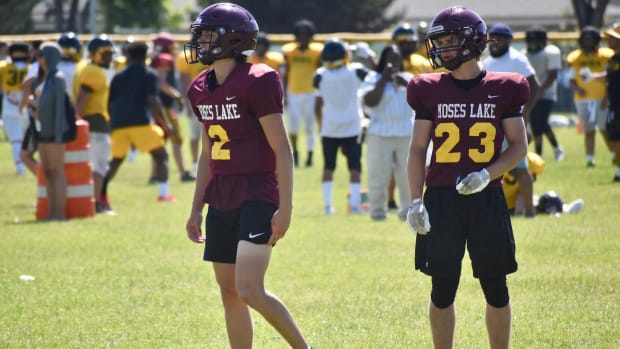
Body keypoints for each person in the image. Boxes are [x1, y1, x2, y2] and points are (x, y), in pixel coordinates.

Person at [183, 3, 310, 349]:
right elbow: (209, 152)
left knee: (249, 288)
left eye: (208, 34)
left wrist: (286, 207)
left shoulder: (260, 79)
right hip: (222, 193)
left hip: (257, 190)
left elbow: (282, 148)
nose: (200, 42)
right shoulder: (199, 87)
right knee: (229, 293)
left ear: (232, 39)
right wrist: (196, 206)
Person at [406, 6, 529, 349]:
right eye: (439, 41)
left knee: (496, 286)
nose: (442, 48)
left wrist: (487, 174)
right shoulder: (427, 88)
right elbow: (417, 149)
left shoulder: (505, 87)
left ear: (472, 42)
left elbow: (519, 146)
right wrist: (416, 200)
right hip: (441, 199)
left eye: (449, 40)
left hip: (486, 198)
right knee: (442, 289)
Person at [103, 41, 176, 203]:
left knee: (115, 161)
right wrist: (165, 125)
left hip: (118, 125)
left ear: (128, 56)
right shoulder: (149, 74)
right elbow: (152, 101)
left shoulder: (118, 76)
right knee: (161, 156)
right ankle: (163, 195)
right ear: (146, 56)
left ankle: (100, 195)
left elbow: (109, 103)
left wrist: (112, 125)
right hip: (140, 124)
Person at [483, 22, 539, 218]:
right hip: (491, 124)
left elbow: (535, 85)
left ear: (509, 41)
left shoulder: (517, 59)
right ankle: (493, 211)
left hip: (511, 123)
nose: (495, 42)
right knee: (491, 168)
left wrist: (525, 116)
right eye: (493, 38)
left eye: (500, 38)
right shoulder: (487, 62)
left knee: (519, 168)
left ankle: (530, 211)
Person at [313, 39, 368, 215]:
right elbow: (373, 79)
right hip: (352, 127)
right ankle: (354, 206)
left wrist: (321, 126)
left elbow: (317, 105)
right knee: (355, 167)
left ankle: (328, 207)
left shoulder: (320, 75)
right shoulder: (356, 71)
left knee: (328, 167)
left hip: (330, 128)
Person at [360, 45, 413, 220]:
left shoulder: (408, 78)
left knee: (407, 175)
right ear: (383, 60)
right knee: (378, 174)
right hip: (379, 133)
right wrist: (383, 80)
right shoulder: (373, 78)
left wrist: (405, 84)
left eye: (397, 59)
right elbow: (369, 101)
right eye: (390, 59)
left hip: (406, 132)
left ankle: (408, 211)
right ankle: (377, 211)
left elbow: (422, 100)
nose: (394, 62)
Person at [74, 35, 114, 214]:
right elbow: (82, 99)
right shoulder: (94, 72)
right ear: (94, 54)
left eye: (110, 53)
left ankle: (91, 201)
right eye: (105, 53)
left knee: (95, 165)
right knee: (99, 165)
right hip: (95, 122)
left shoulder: (88, 68)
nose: (109, 57)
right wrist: (77, 121)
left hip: (92, 121)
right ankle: (96, 203)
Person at [31, 42, 71, 220]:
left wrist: (57, 134)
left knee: (57, 172)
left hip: (55, 133)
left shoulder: (58, 78)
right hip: (43, 131)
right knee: (47, 172)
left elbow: (59, 110)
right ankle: (51, 212)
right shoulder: (45, 79)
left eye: (42, 55)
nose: (39, 59)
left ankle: (59, 213)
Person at [566, 26, 614, 167]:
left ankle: (613, 154)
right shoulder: (576, 58)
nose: (588, 42)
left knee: (605, 129)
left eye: (590, 39)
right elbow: (571, 80)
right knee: (588, 130)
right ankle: (589, 158)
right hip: (583, 99)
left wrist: (607, 97)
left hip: (602, 98)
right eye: (585, 39)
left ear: (596, 40)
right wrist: (578, 89)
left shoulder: (606, 55)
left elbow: (611, 78)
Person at [151, 32, 196, 182]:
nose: (174, 47)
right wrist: (178, 96)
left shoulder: (154, 59)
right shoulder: (165, 58)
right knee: (177, 139)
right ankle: (183, 172)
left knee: (159, 142)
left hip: (156, 106)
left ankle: (154, 175)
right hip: (165, 107)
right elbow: (162, 83)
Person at [282, 19, 323, 167]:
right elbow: (286, 72)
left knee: (309, 127)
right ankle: (296, 153)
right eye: (300, 34)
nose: (303, 37)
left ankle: (310, 155)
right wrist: (284, 93)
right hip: (294, 92)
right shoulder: (289, 51)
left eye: (306, 35)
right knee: (292, 126)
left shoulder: (317, 51)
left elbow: (320, 73)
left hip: (311, 92)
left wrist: (321, 94)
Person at [524, 26, 565, 160]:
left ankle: (539, 155)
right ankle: (556, 148)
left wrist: (541, 89)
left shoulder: (551, 52)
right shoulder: (524, 54)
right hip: (531, 93)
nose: (532, 44)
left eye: (535, 41)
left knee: (539, 124)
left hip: (546, 94)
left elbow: (553, 74)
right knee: (540, 124)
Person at [176, 36, 207, 176]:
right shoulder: (187, 57)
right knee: (195, 135)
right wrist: (188, 104)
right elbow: (184, 83)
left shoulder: (215, 54)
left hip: (213, 98)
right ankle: (195, 163)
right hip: (196, 99)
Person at [0, 42, 31, 175]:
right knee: (27, 138)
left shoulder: (3, 67)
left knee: (16, 140)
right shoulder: (32, 68)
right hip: (28, 105)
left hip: (10, 104)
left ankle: (20, 167)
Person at [603, 22, 620, 182]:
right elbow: (609, 77)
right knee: (613, 137)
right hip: (614, 104)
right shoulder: (613, 58)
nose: (609, 40)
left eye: (613, 38)